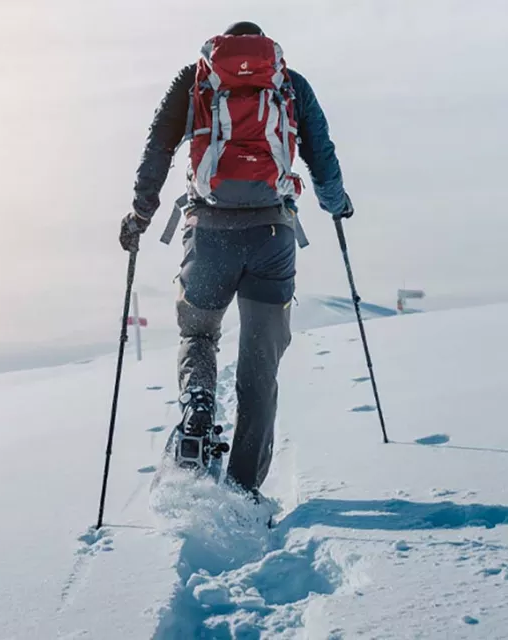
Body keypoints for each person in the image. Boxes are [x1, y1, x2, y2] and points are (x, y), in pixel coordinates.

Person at [119, 21, 354, 495]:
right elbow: (321, 152)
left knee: (200, 333)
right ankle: (243, 488)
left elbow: (157, 149)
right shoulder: (290, 85)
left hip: (209, 233)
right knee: (259, 366)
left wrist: (140, 215)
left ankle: (200, 406)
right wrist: (336, 204)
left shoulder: (196, 81)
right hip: (272, 235)